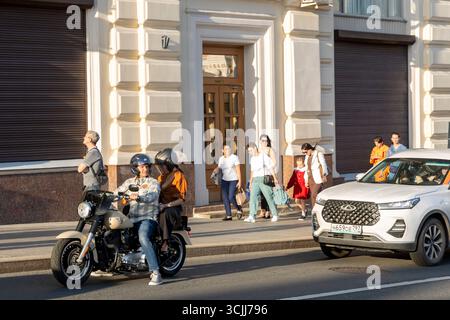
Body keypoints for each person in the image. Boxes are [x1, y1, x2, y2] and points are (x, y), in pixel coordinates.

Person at [116, 153, 162, 285]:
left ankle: (155, 272)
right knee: (109, 232)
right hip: (131, 219)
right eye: (142, 167)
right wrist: (107, 196)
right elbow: (117, 191)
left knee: (143, 237)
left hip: (147, 218)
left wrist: (140, 197)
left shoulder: (153, 182)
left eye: (146, 166)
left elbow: (153, 195)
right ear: (135, 168)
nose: (145, 169)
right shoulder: (129, 182)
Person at [154, 148, 188, 253]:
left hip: (173, 207)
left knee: (165, 213)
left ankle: (165, 242)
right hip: (159, 205)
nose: (160, 168)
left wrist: (166, 205)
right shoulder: (162, 177)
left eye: (162, 165)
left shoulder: (179, 176)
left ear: (169, 163)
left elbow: (181, 199)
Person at [244, 143, 279, 223]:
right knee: (253, 198)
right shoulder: (252, 159)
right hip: (255, 180)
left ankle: (275, 214)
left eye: (251, 150)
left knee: (268, 197)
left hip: (264, 179)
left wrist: (275, 178)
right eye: (249, 151)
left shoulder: (263, 156)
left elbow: (270, 167)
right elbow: (252, 171)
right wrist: (251, 181)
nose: (250, 152)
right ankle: (252, 216)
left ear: (255, 148)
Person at [212, 145, 243, 221]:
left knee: (231, 197)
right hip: (224, 180)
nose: (227, 150)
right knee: (225, 198)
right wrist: (215, 170)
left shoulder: (234, 157)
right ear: (223, 150)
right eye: (226, 149)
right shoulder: (221, 159)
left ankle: (238, 208)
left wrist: (240, 181)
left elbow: (238, 170)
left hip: (233, 179)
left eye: (229, 149)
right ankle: (229, 215)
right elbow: (219, 168)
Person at [302, 143, 329, 211]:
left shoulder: (318, 154)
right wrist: (306, 180)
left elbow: (323, 165)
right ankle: (320, 210)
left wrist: (324, 175)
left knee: (313, 195)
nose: (305, 153)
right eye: (303, 152)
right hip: (310, 178)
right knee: (317, 196)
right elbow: (306, 168)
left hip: (318, 178)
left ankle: (315, 211)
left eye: (305, 152)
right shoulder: (307, 156)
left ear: (310, 149)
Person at [258, 134, 277, 219]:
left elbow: (274, 162)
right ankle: (263, 210)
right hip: (259, 174)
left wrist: (268, 165)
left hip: (268, 175)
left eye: (266, 141)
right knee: (261, 194)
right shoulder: (258, 150)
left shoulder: (270, 150)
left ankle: (268, 211)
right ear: (260, 141)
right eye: (263, 141)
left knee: (268, 194)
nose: (264, 142)